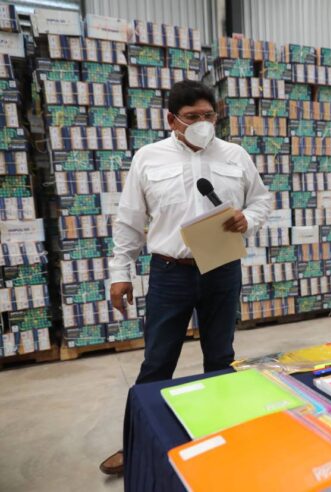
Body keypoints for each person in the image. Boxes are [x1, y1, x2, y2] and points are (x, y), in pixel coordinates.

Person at [99, 80, 272, 475]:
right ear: (172, 120)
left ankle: (220, 434)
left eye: (208, 115)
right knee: (158, 361)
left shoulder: (235, 155)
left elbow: (261, 198)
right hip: (169, 272)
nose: (202, 123)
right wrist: (119, 273)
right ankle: (136, 443)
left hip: (222, 269)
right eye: (192, 117)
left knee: (220, 358)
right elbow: (129, 221)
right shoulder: (148, 158)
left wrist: (251, 218)